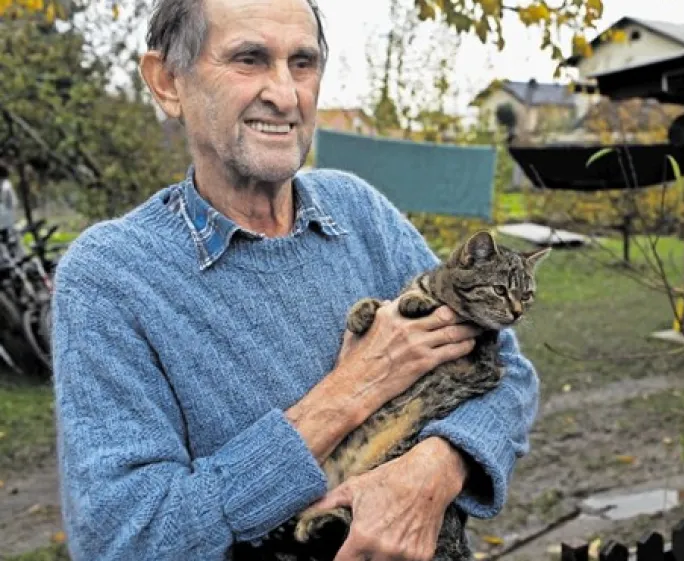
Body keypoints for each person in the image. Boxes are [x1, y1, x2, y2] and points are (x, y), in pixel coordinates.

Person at [48, 0, 540, 559]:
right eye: (249, 59)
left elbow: (511, 376)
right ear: (167, 83)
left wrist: (435, 469)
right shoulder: (112, 276)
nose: (285, 95)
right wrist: (351, 391)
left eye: (302, 63)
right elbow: (127, 539)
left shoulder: (358, 212)